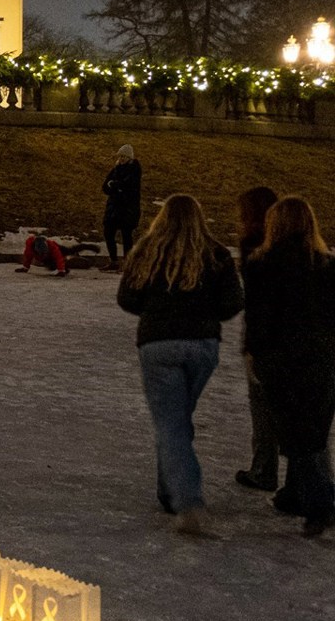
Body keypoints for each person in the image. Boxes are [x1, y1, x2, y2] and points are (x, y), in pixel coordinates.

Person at [116, 194, 244, 536]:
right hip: (202, 346)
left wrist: (157, 311)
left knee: (171, 423)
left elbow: (127, 298)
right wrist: (202, 314)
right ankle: (169, 491)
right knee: (176, 418)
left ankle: (187, 501)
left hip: (158, 345)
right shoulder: (216, 254)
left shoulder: (146, 250)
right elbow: (233, 303)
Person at [240, 196, 335, 536]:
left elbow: (258, 317)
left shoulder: (261, 264)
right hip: (323, 358)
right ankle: (297, 494)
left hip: (281, 359)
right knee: (314, 429)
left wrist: (254, 354)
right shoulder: (326, 265)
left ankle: (322, 503)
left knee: (295, 433)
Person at [234, 185, 283, 493]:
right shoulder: (297, 243)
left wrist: (251, 344)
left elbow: (254, 300)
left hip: (266, 336)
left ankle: (264, 468)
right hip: (299, 338)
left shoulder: (254, 245)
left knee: (262, 402)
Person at [101, 144, 143, 272]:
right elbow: (105, 187)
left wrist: (115, 185)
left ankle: (127, 262)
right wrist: (114, 187)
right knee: (108, 232)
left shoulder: (134, 169)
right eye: (121, 156)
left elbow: (129, 186)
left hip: (128, 208)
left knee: (126, 235)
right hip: (113, 208)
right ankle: (113, 261)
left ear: (130, 157)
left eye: (125, 156)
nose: (122, 158)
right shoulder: (116, 169)